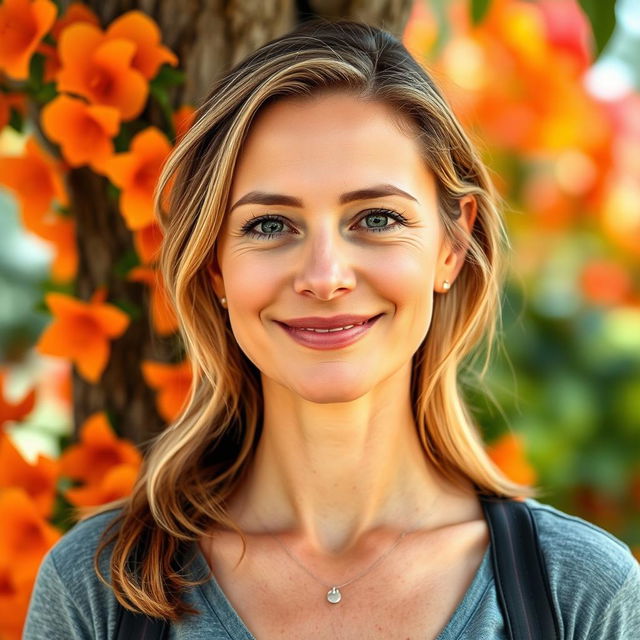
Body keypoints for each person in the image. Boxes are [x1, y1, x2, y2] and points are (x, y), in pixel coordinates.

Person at [24, 19, 639, 640]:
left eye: (375, 217)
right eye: (269, 225)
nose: (324, 277)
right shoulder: (99, 588)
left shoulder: (580, 592)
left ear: (452, 246)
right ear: (214, 262)